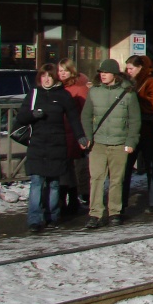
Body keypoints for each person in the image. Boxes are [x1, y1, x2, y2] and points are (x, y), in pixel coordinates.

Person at [13, 64, 87, 233]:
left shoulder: (63, 96)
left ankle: (53, 216)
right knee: (37, 182)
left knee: (54, 184)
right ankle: (34, 219)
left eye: (49, 76)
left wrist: (80, 137)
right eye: (43, 76)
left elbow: (74, 119)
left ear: (55, 78)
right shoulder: (34, 94)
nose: (46, 79)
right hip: (37, 145)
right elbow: (21, 117)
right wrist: (33, 114)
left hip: (57, 144)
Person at [80, 59, 140, 228]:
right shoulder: (94, 92)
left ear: (114, 74)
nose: (103, 75)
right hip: (98, 144)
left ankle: (114, 212)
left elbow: (135, 120)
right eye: (101, 72)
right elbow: (85, 116)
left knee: (116, 180)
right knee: (96, 178)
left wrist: (131, 141)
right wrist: (88, 136)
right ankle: (95, 213)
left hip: (119, 143)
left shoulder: (128, 93)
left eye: (106, 72)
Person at [122, 55, 153, 214]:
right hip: (130, 132)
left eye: (131, 68)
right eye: (127, 68)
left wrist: (135, 101)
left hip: (149, 131)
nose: (128, 71)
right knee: (124, 168)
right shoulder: (125, 83)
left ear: (140, 68)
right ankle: (120, 202)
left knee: (151, 166)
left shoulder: (150, 81)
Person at [57, 58, 90, 217]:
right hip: (59, 133)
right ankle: (64, 201)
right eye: (60, 71)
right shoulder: (58, 87)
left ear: (72, 71)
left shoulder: (79, 88)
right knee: (63, 169)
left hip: (73, 133)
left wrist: (83, 135)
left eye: (65, 70)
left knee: (73, 169)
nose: (62, 73)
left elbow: (85, 112)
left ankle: (73, 200)